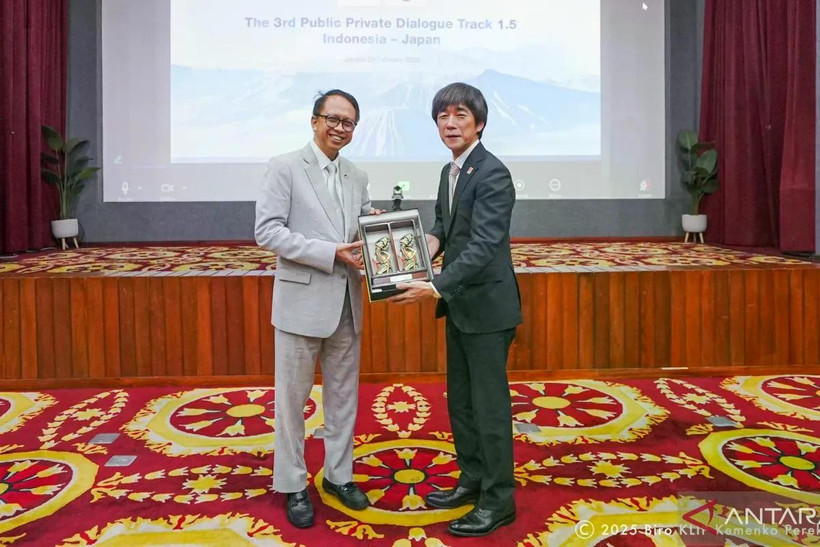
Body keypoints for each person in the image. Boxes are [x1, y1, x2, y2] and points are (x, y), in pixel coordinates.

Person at [389, 82, 522, 537]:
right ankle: (473, 480)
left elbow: (485, 245)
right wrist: (418, 249)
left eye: (460, 115)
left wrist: (434, 285)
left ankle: (499, 500)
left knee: (489, 408)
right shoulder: (452, 171)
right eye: (443, 116)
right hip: (461, 305)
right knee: (462, 404)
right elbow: (444, 229)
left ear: (479, 123)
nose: (450, 123)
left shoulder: (492, 173)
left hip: (486, 309)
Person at [255, 89, 376, 529]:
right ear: (313, 121)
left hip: (346, 302)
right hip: (301, 302)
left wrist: (380, 228)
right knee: (292, 401)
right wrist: (330, 252)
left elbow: (362, 224)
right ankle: (292, 484)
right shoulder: (284, 167)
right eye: (333, 119)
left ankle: (339, 476)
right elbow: (267, 231)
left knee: (344, 398)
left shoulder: (357, 175)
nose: (340, 128)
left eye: (349, 123)